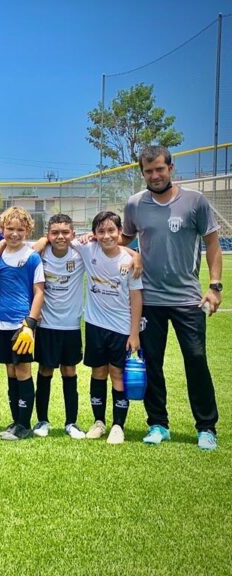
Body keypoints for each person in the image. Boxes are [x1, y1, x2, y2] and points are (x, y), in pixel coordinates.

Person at [122, 145, 222, 451]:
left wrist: (215, 286)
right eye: (148, 171)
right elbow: (121, 240)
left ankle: (206, 427)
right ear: (143, 173)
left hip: (188, 299)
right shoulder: (135, 204)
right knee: (152, 362)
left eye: (159, 169)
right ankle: (158, 424)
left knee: (196, 360)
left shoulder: (195, 201)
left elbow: (213, 244)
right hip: (149, 299)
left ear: (171, 168)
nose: (154, 176)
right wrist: (131, 252)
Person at [71, 212, 142, 445]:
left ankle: (118, 426)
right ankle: (99, 422)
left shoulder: (129, 261)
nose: (106, 235)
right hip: (94, 325)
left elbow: (136, 298)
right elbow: (54, 239)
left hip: (121, 328)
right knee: (98, 372)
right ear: (94, 234)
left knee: (117, 375)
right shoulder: (88, 249)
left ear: (120, 232)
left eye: (111, 230)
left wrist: (133, 334)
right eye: (101, 231)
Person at [0, 206, 44, 441]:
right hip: (1, 323)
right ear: (2, 229)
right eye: (10, 228)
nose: (14, 233)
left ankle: (24, 424)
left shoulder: (31, 257)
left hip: (21, 324)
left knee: (23, 371)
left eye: (20, 229)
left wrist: (30, 323)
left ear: (27, 230)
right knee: (10, 371)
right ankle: (16, 420)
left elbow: (39, 293)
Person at [30, 214, 87, 440]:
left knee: (69, 371)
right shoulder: (40, 255)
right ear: (48, 235)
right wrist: (41, 244)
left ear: (73, 234)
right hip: (47, 325)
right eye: (54, 233)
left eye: (65, 232)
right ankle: (42, 420)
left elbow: (121, 248)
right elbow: (24, 254)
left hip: (71, 326)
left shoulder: (81, 253)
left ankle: (71, 423)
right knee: (45, 371)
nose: (60, 237)